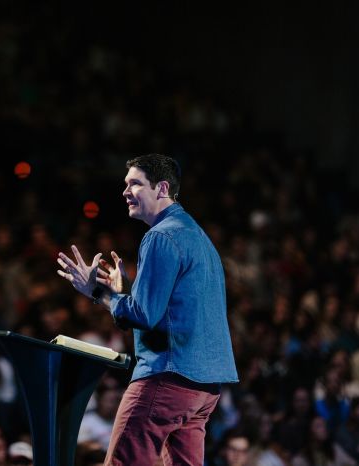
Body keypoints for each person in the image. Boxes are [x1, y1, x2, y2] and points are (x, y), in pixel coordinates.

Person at [57, 153, 238, 465]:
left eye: (135, 184)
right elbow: (171, 307)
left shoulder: (160, 236)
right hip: (204, 387)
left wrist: (96, 291)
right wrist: (124, 293)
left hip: (167, 378)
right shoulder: (198, 237)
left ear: (162, 188)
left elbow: (144, 315)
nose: (125, 192)